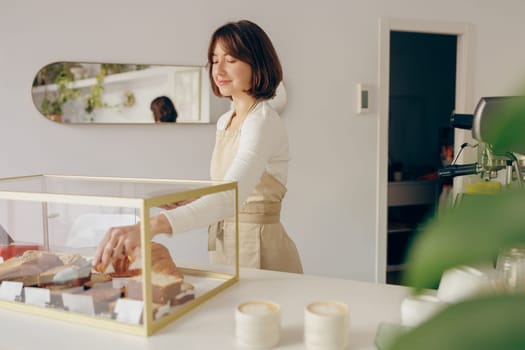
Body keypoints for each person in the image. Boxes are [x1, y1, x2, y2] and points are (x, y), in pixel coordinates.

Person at [94, 20, 303, 274]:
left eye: (231, 60)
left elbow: (232, 197)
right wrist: (193, 200)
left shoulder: (263, 121)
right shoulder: (227, 120)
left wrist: (149, 227)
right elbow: (228, 189)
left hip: (260, 248)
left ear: (257, 63)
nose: (219, 70)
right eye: (215, 60)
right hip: (226, 242)